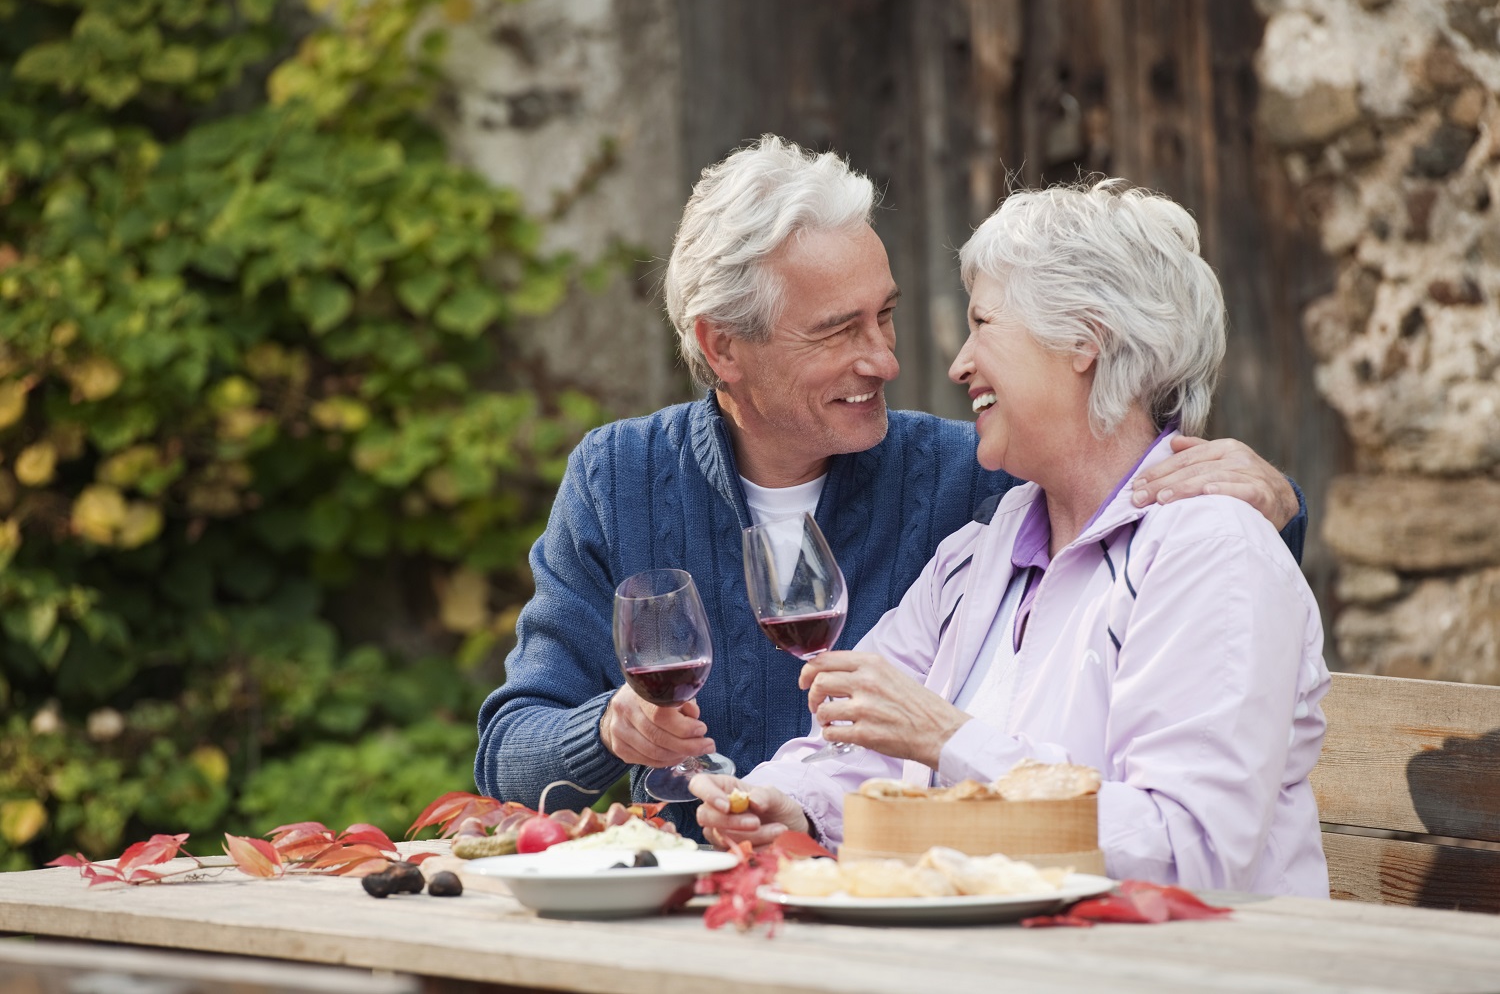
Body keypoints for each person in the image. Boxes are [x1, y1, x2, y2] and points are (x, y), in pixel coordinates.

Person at [475, 135, 1309, 837]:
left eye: (888, 314)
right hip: (723, 910)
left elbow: (1191, 577)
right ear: (723, 347)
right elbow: (512, 747)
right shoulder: (622, 478)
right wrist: (629, 738)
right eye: (840, 329)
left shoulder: (970, 483)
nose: (893, 361)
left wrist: (1275, 518)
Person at [691, 179, 1331, 896]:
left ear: (1085, 339)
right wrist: (792, 802)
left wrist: (951, 740)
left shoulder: (1210, 550)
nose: (959, 363)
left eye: (984, 324)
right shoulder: (980, 553)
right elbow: (862, 736)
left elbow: (1192, 854)